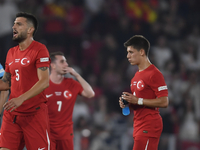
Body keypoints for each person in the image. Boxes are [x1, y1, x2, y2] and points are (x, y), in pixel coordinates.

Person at [0, 12, 51, 150]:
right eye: (14, 23)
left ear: (30, 30)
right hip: (12, 114)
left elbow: (44, 82)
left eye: (18, 24)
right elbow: (5, 84)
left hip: (34, 115)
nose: (13, 26)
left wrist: (21, 98)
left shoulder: (40, 49)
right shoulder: (11, 52)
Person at [119, 35, 169, 150]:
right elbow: (140, 104)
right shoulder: (135, 77)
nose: (128, 56)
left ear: (141, 52)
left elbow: (164, 102)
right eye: (127, 52)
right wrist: (128, 104)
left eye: (131, 52)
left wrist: (138, 100)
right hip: (138, 125)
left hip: (149, 125)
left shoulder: (154, 74)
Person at [45, 51, 95, 150]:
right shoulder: (43, 85)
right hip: (47, 133)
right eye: (62, 62)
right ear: (53, 66)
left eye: (66, 62)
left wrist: (77, 75)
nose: (66, 64)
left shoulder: (72, 84)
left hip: (66, 134)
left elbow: (90, 93)